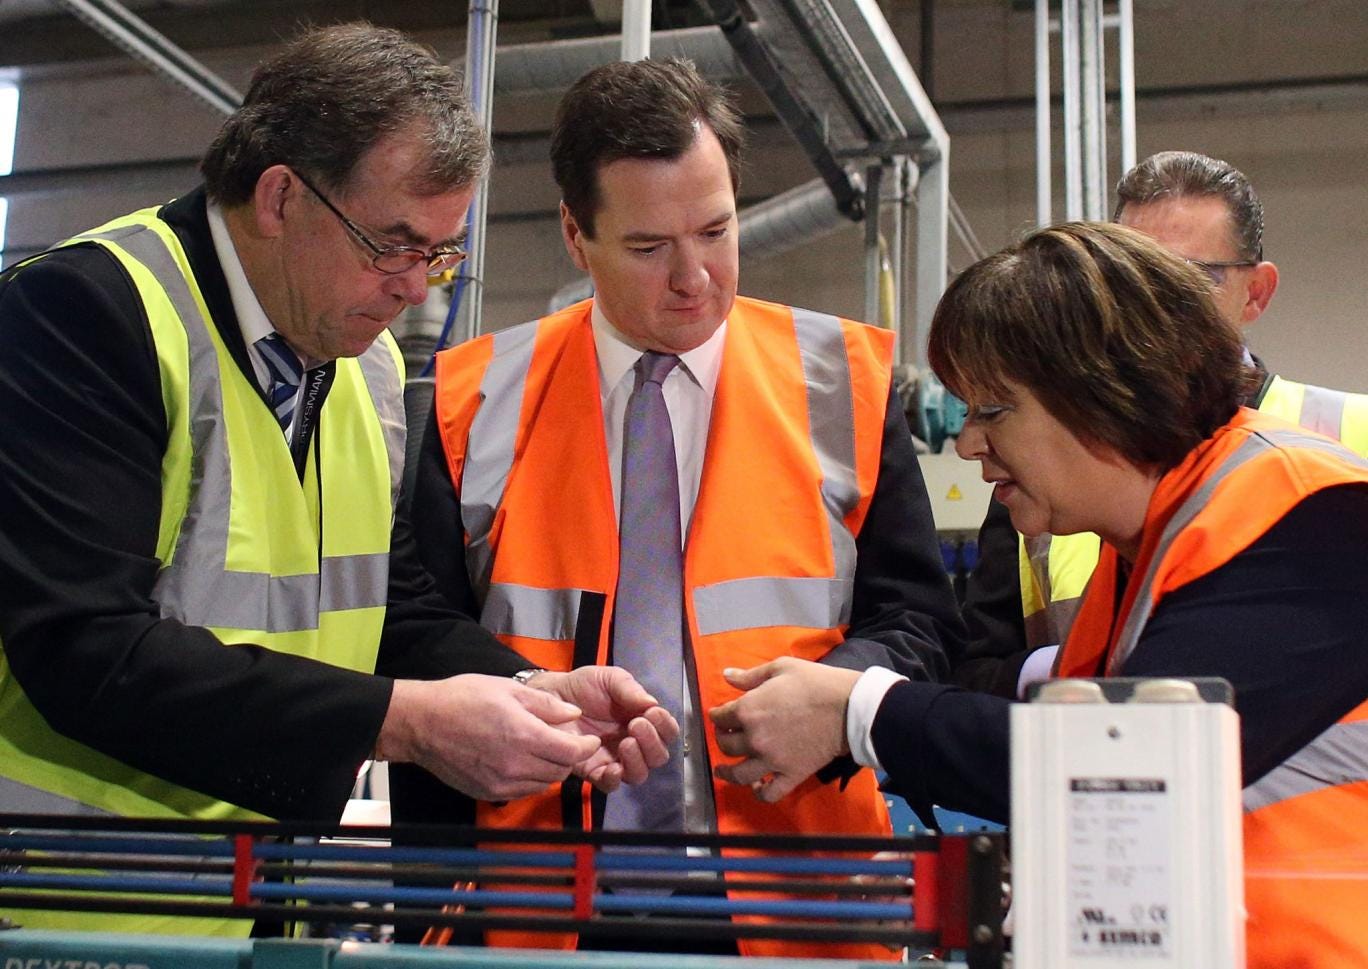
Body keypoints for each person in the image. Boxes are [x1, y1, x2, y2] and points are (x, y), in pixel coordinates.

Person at [0, 23, 675, 937]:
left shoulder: (365, 365)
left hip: (263, 907)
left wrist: (529, 686)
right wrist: (404, 722)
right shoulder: (89, 315)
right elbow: (85, 649)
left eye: (439, 254)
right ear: (279, 196)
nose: (416, 289)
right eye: (391, 244)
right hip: (75, 905)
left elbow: (383, 605)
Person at [409, 57, 963, 959]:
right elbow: (416, 622)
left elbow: (922, 621)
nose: (694, 277)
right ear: (574, 234)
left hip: (798, 893)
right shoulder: (475, 399)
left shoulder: (844, 385)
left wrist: (840, 700)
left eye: (716, 229)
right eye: (648, 246)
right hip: (536, 900)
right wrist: (524, 693)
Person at [710, 221, 1368, 968]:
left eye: (993, 411)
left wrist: (858, 710)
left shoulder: (1311, 517)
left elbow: (1119, 767)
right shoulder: (1143, 557)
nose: (966, 445)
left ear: (1101, 389)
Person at [955, 150, 1368, 698]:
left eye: (1186, 280)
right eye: (1121, 282)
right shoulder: (1040, 462)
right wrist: (1074, 673)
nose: (1145, 307)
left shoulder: (1343, 436)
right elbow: (975, 666)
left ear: (1257, 292)